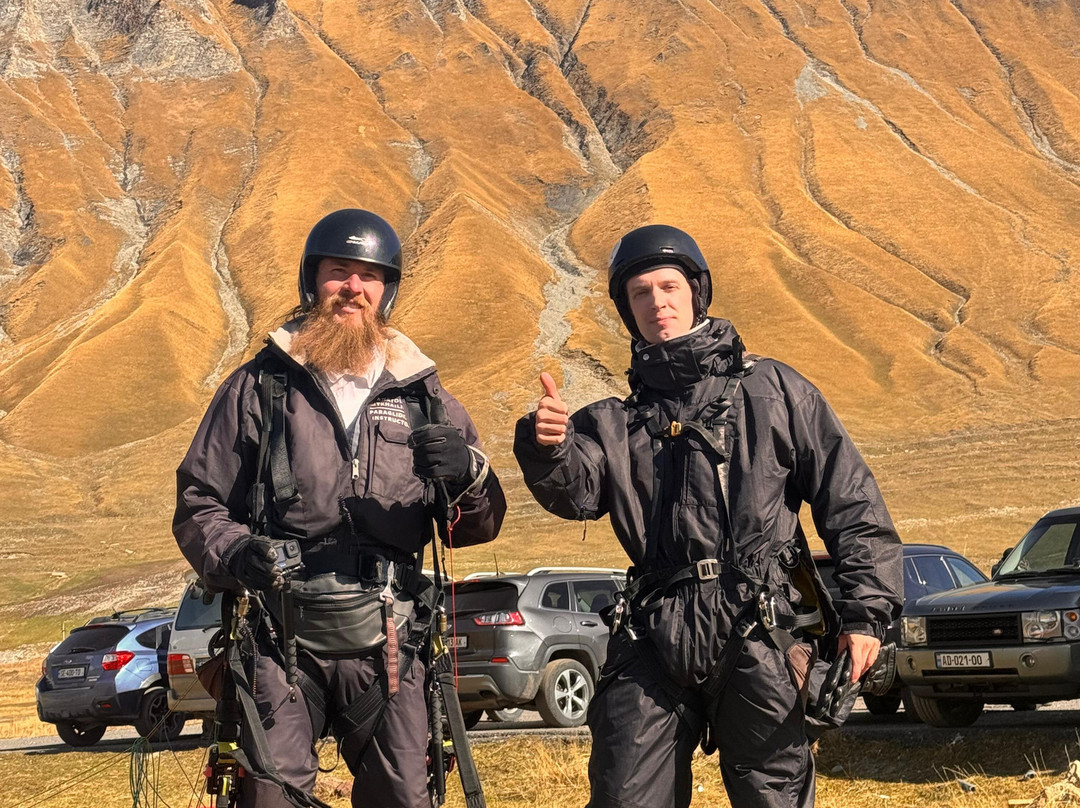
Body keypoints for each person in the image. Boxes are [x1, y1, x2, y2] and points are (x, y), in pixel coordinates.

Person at [514, 224, 902, 808]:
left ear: (696, 291)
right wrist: (549, 448)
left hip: (760, 629)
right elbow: (577, 493)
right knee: (624, 796)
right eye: (639, 293)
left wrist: (866, 614)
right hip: (652, 631)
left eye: (668, 286)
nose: (656, 303)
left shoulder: (773, 391)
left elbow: (851, 502)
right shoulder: (612, 423)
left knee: (774, 796)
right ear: (626, 310)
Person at [174, 208, 506, 808]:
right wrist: (238, 553)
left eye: (369, 276)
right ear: (313, 281)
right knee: (270, 799)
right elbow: (199, 500)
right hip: (280, 635)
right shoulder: (258, 387)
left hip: (391, 640)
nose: (353, 288)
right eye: (339, 272)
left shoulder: (423, 394)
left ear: (388, 291)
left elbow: (481, 523)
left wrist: (465, 476)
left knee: (405, 797)